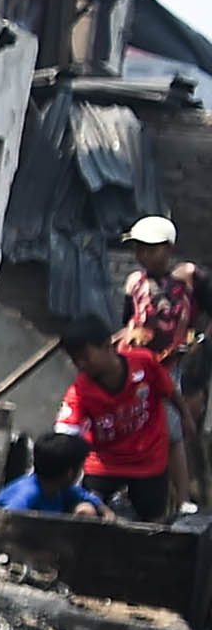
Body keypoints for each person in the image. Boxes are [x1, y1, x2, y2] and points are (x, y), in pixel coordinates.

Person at [119, 214, 206, 511]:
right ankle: (128, 489)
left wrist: (199, 342)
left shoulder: (188, 281)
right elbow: (126, 322)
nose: (143, 255)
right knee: (131, 424)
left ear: (168, 249)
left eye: (151, 248)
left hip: (171, 366)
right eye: (139, 249)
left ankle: (182, 498)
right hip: (137, 366)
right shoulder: (135, 284)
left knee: (172, 430)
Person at [53, 313, 176, 521]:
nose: (81, 364)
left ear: (107, 346)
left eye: (85, 356)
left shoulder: (143, 362)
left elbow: (170, 391)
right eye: (75, 360)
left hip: (148, 458)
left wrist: (186, 419)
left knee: (152, 523)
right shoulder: (80, 391)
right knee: (86, 512)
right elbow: (65, 432)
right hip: (103, 463)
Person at [0, 432, 113, 515]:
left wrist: (105, 512)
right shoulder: (27, 495)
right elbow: (6, 520)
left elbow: (87, 497)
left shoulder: (60, 488)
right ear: (70, 473)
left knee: (86, 510)